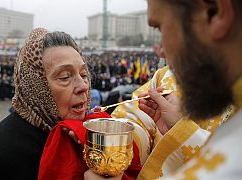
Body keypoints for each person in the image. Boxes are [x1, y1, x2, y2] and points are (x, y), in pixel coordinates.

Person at [85, 0, 242, 179]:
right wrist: (115, 139)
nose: (161, 52)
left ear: (214, 12)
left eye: (160, 28)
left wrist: (184, 134)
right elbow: (136, 118)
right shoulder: (166, 78)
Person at [0, 28, 92, 179]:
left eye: (84, 74)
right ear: (35, 86)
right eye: (64, 77)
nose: (83, 86)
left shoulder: (88, 137)